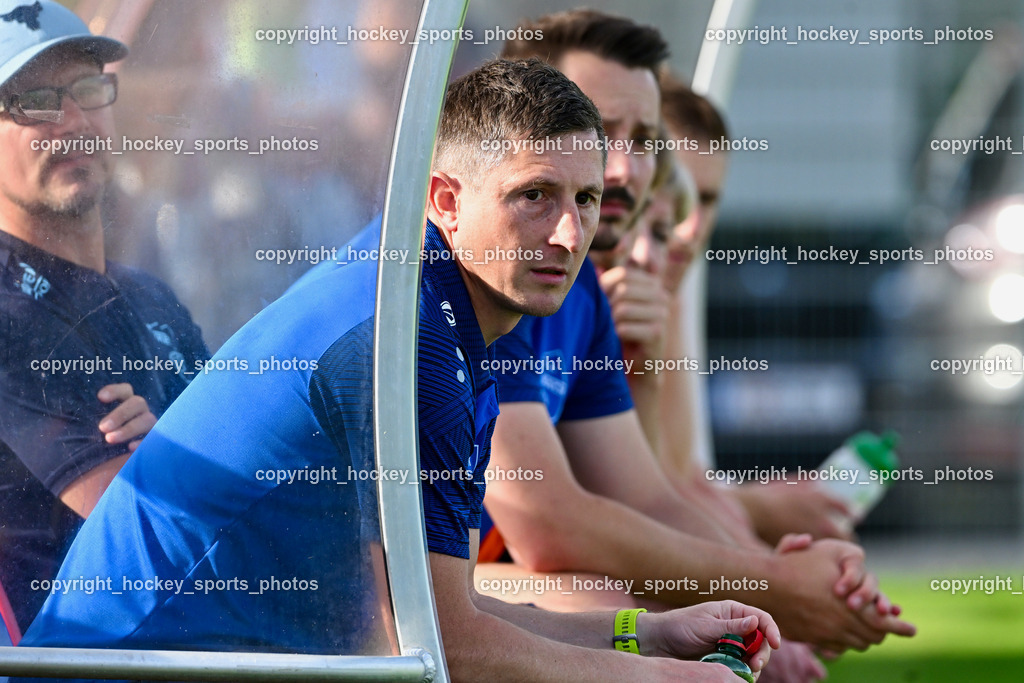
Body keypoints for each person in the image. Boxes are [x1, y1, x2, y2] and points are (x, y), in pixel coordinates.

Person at [21, 58, 779, 683]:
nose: (571, 232)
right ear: (445, 199)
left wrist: (642, 633)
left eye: (585, 196)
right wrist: (672, 677)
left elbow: (432, 612)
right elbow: (446, 650)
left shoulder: (419, 293)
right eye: (534, 197)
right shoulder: (408, 339)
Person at [477, 9, 913, 665]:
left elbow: (650, 493)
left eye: (645, 139)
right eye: (595, 129)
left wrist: (764, 594)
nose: (621, 167)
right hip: (377, 590)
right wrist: (771, 587)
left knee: (664, 610)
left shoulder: (584, 285)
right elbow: (551, 522)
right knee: (624, 605)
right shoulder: (495, 268)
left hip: (445, 579)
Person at [0, 0, 208, 631]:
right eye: (33, 99)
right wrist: (178, 453)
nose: (71, 121)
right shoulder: (8, 315)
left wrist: (166, 445)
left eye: (87, 89)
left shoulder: (149, 296)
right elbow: (159, 538)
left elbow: (247, 467)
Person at [654, 76, 856, 546]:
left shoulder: (669, 299)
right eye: (677, 195)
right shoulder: (561, 300)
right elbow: (614, 513)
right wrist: (767, 558)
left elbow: (677, 484)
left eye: (707, 200)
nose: (692, 228)